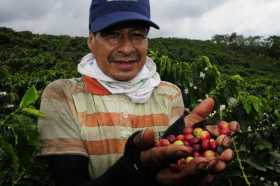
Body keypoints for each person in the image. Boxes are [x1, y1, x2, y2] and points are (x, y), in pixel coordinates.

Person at [38, 0, 237, 185]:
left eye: (137, 35)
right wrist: (137, 166)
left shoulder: (169, 94)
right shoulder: (62, 95)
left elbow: (177, 165)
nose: (126, 48)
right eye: (112, 34)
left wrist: (191, 155)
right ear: (91, 40)